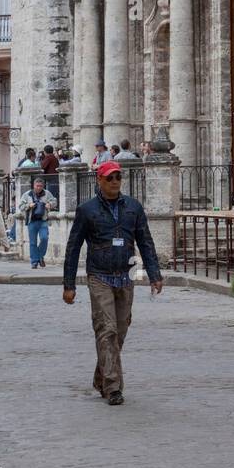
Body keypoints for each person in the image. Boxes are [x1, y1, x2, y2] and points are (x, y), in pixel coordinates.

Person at [63, 160, 163, 405]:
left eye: (118, 177)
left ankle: (101, 377)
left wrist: (154, 274)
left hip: (126, 275)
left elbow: (145, 241)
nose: (115, 181)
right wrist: (69, 284)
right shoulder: (87, 210)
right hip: (100, 276)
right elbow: (73, 247)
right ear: (99, 180)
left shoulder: (133, 208)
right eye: (110, 177)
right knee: (106, 329)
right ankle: (113, 387)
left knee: (119, 331)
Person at [18, 176, 56, 268]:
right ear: (33, 185)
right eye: (37, 186)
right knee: (33, 242)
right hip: (32, 221)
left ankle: (40, 256)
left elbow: (54, 201)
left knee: (44, 238)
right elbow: (21, 206)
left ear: (43, 186)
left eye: (40, 186)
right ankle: (34, 262)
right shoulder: (27, 194)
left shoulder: (47, 193)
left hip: (43, 220)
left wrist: (49, 205)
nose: (38, 187)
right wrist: (29, 205)